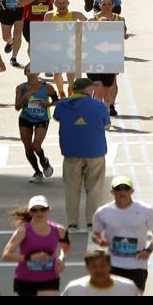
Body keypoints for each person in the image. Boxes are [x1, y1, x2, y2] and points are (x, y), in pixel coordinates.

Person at [91, 175, 153, 293]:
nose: (122, 191)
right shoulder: (103, 212)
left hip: (137, 263)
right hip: (113, 263)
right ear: (112, 191)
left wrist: (148, 250)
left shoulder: (145, 210)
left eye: (125, 188)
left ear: (132, 191)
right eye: (118, 189)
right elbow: (95, 234)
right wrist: (100, 241)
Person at [54, 83, 110, 230]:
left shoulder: (62, 105)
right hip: (95, 151)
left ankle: (72, 221)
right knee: (94, 188)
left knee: (72, 188)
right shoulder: (99, 106)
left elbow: (57, 117)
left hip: (71, 150)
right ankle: (92, 221)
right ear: (88, 90)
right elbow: (106, 125)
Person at [3, 195, 70, 295]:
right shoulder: (23, 231)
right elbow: (6, 256)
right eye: (35, 210)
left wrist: (61, 258)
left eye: (43, 209)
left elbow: (65, 246)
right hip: (26, 280)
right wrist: (30, 257)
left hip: (50, 278)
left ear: (49, 210)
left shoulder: (59, 230)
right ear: (30, 212)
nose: (39, 212)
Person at [16, 70, 57, 182]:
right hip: (26, 118)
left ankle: (44, 161)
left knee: (36, 145)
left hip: (41, 119)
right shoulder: (21, 88)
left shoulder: (48, 87)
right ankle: (37, 173)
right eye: (29, 71)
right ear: (25, 73)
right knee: (28, 149)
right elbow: (17, 107)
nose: (32, 73)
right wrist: (24, 99)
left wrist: (48, 104)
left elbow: (57, 101)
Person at [63, 248, 141, 296]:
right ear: (87, 267)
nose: (99, 270)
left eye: (102, 265)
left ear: (110, 265)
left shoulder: (128, 287)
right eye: (94, 266)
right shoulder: (73, 289)